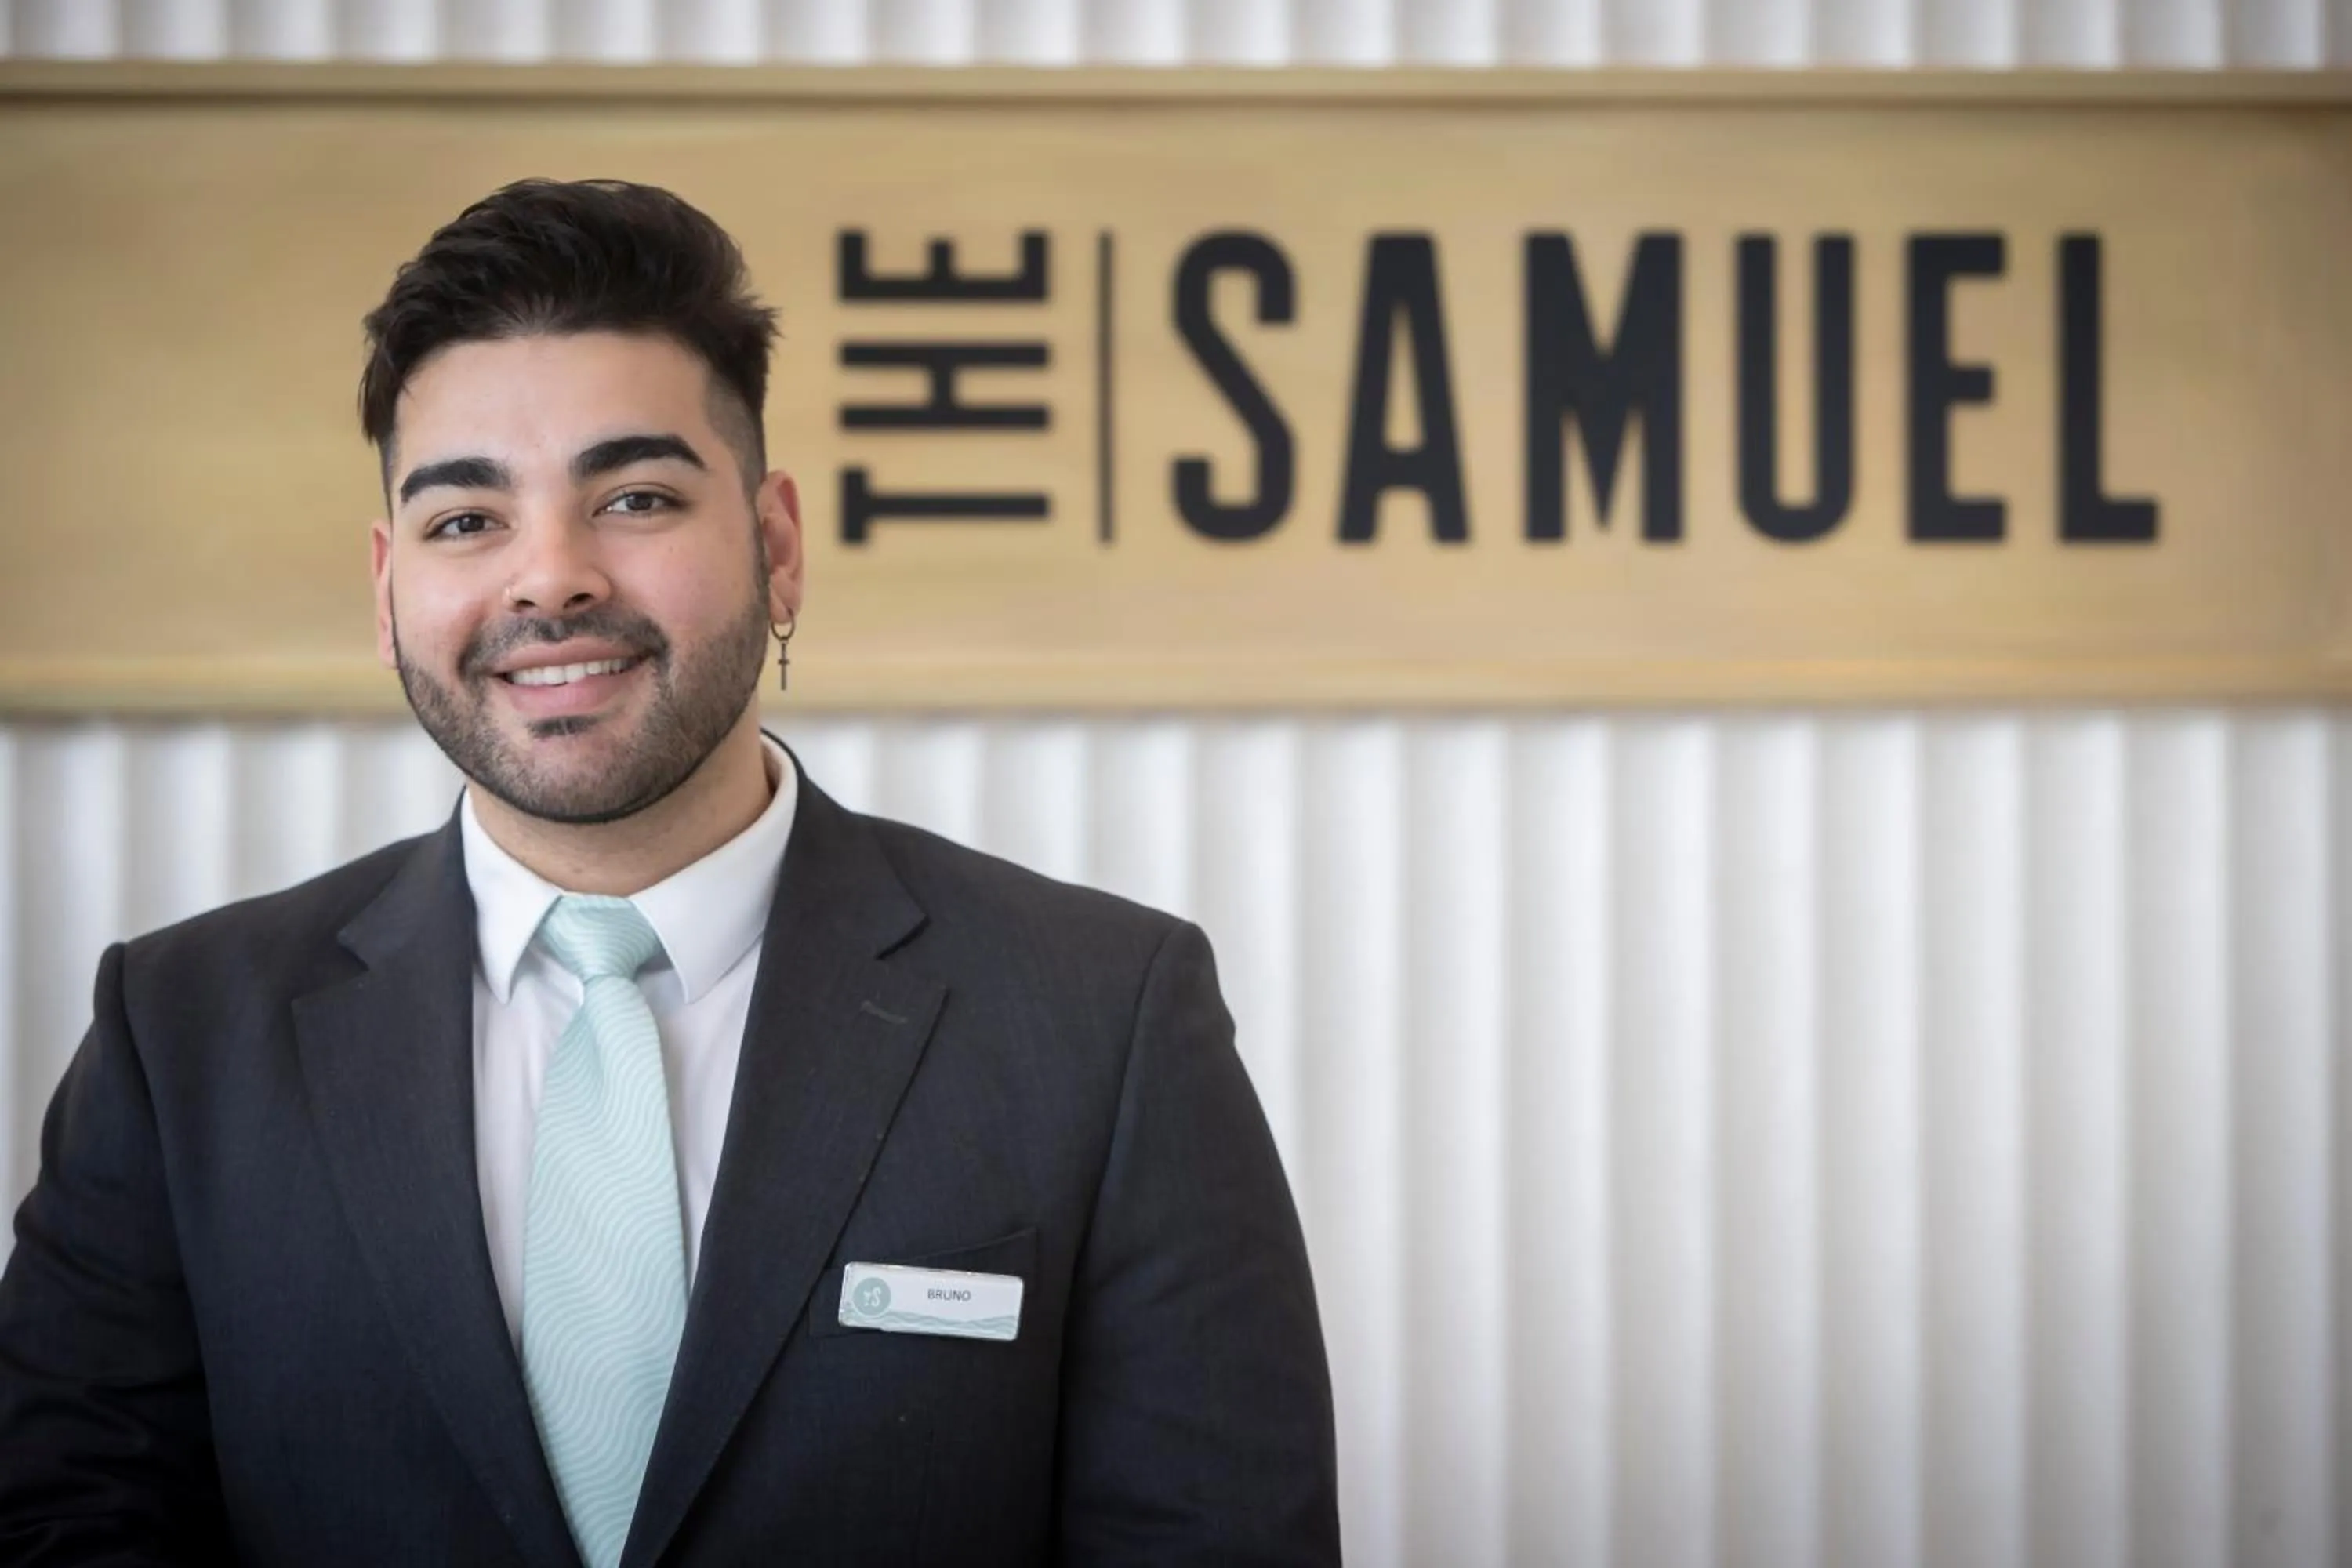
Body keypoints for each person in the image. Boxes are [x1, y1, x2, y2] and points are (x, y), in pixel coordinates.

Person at [0, 179, 1338, 1566]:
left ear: (776, 546)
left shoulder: (1100, 1021)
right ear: (387, 590)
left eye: (635, 497)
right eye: (467, 521)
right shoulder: (184, 1036)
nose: (550, 580)